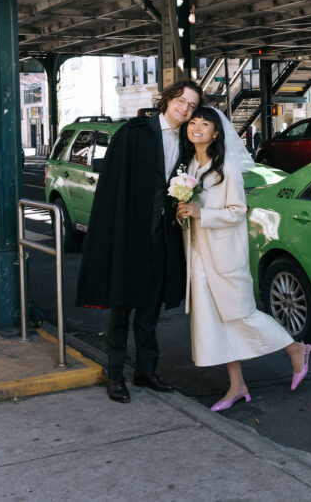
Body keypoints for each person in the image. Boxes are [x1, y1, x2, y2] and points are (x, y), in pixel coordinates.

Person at [174, 106, 311, 411]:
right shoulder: (191, 166)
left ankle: (295, 348)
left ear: (216, 132)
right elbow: (195, 205)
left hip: (223, 255)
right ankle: (237, 386)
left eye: (204, 123)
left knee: (241, 315)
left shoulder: (227, 168)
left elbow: (238, 212)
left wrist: (201, 212)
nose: (196, 127)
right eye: (193, 122)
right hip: (199, 254)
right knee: (215, 321)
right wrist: (184, 211)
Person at [75, 80, 203, 403]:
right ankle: (115, 375)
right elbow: (111, 189)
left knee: (150, 310)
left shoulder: (186, 143)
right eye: (181, 100)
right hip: (130, 236)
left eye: (191, 106)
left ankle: (146, 370)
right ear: (169, 98)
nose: (184, 109)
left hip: (161, 238)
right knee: (122, 308)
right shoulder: (134, 133)